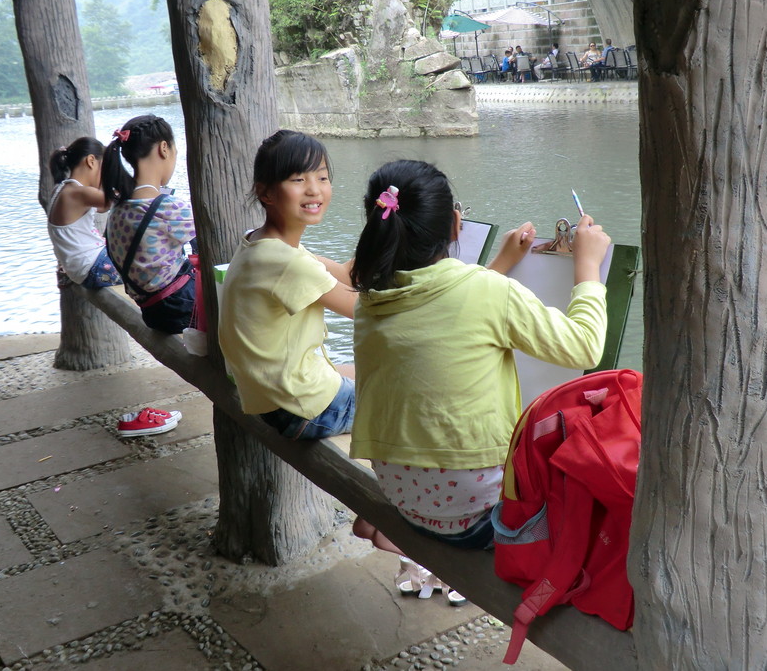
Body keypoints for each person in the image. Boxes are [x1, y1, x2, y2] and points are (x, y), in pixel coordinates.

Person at [348, 160, 611, 600]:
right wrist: (587, 266)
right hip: (480, 519)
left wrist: (500, 264)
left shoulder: (370, 299)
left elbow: (445, 303)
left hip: (403, 499)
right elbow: (584, 346)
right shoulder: (488, 293)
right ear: (456, 223)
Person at [218, 129, 356, 440]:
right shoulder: (287, 263)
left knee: (368, 370)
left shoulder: (262, 244)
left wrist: (387, 229)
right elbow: (366, 309)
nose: (314, 190)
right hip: (306, 408)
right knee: (413, 386)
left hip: (276, 399)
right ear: (266, 193)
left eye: (322, 177)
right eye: (298, 179)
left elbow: (348, 275)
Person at [101, 114, 197, 335]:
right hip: (180, 308)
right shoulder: (166, 208)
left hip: (152, 312)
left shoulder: (118, 207)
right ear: (164, 149)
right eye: (174, 152)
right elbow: (213, 231)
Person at [46, 137, 121, 290]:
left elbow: (102, 208)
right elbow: (114, 201)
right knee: (142, 267)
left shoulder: (61, 189)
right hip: (94, 266)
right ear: (91, 161)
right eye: (104, 168)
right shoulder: (79, 193)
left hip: (81, 269)